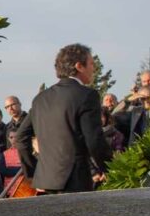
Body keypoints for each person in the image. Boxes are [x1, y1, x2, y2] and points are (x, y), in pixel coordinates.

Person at [16, 44, 113, 193]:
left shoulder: (40, 99)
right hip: (75, 182)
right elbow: (94, 140)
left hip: (44, 182)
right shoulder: (87, 95)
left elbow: (21, 138)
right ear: (79, 66)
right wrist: (112, 168)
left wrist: (34, 173)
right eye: (91, 64)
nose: (94, 69)